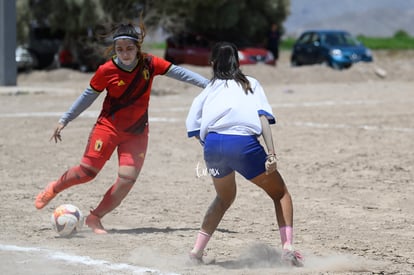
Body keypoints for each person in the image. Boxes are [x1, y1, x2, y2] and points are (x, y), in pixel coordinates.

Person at [34, 21, 209, 234]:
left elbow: (180, 73)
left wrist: (210, 85)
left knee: (127, 180)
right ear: (115, 50)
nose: (125, 53)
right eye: (119, 49)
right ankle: (54, 188)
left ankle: (95, 217)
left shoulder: (150, 64)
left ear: (137, 48)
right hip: (108, 128)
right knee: (88, 172)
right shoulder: (106, 70)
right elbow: (87, 97)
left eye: (129, 48)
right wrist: (65, 119)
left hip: (137, 132)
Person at [185, 42, 303, 267]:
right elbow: (262, 118)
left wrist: (207, 143)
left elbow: (191, 124)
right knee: (281, 194)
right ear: (238, 63)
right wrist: (271, 153)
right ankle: (288, 250)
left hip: (212, 146)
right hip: (242, 144)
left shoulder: (207, 90)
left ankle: (195, 252)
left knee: (224, 197)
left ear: (212, 64)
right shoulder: (251, 83)